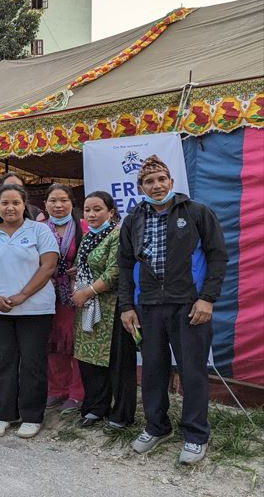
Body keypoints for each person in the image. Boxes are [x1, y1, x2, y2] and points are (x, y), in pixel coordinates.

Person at [118, 155, 227, 465]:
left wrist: (207, 299)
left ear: (171, 182)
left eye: (161, 179)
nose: (156, 185)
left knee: (192, 372)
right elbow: (125, 265)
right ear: (140, 187)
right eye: (149, 181)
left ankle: (195, 434)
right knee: (152, 371)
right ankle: (156, 426)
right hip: (148, 307)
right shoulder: (133, 219)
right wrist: (127, 306)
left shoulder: (196, 212)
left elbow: (218, 256)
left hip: (189, 306)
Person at [0, 184, 58, 439]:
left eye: (15, 203)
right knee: (3, 362)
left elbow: (48, 267)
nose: (10, 207)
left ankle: (32, 416)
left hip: (36, 310)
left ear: (25, 205)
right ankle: (4, 414)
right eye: (5, 203)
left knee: (32, 363)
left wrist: (22, 295)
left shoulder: (40, 230)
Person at [69, 191, 136, 430]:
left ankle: (121, 414)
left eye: (97, 209)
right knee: (89, 360)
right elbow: (82, 264)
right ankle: (96, 407)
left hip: (113, 307)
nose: (92, 214)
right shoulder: (88, 236)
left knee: (118, 364)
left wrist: (86, 292)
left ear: (111, 212)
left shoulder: (118, 235)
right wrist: (76, 277)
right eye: (87, 210)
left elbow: (114, 272)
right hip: (88, 308)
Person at [42, 184, 86, 413]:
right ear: (45, 204)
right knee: (52, 342)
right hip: (45, 295)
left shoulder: (84, 227)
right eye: (53, 201)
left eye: (63, 201)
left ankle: (76, 392)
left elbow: (95, 259)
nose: (58, 206)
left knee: (74, 343)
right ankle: (55, 389)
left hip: (74, 295)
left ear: (72, 203)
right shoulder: (37, 229)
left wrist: (81, 269)